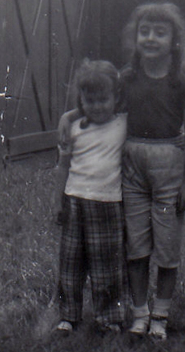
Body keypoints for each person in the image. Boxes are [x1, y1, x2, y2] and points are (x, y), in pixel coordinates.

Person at [119, 3, 185, 339]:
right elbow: (100, 115)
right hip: (132, 163)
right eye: (145, 31)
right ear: (136, 37)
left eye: (160, 32)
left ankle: (161, 317)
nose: (151, 38)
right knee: (135, 244)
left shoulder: (182, 84)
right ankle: (140, 314)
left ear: (174, 41)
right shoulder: (125, 79)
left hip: (169, 163)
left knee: (167, 246)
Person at [52, 59, 128, 334]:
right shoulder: (73, 128)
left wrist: (68, 114)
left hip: (108, 203)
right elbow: (63, 166)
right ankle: (68, 315)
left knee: (106, 264)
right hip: (74, 200)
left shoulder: (123, 124)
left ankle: (109, 317)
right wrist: (58, 200)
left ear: (116, 97)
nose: (96, 106)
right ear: (81, 99)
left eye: (103, 99)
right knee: (70, 262)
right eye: (89, 100)